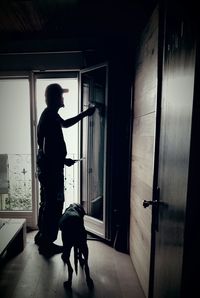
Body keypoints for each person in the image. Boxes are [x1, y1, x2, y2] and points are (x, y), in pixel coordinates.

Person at [34, 83, 95, 256]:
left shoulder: (50, 114)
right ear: (55, 98)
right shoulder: (50, 116)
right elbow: (47, 148)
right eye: (61, 96)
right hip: (51, 170)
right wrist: (63, 160)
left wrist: (84, 114)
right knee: (53, 205)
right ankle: (47, 243)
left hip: (46, 169)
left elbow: (66, 124)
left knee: (46, 203)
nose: (63, 99)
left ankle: (41, 237)